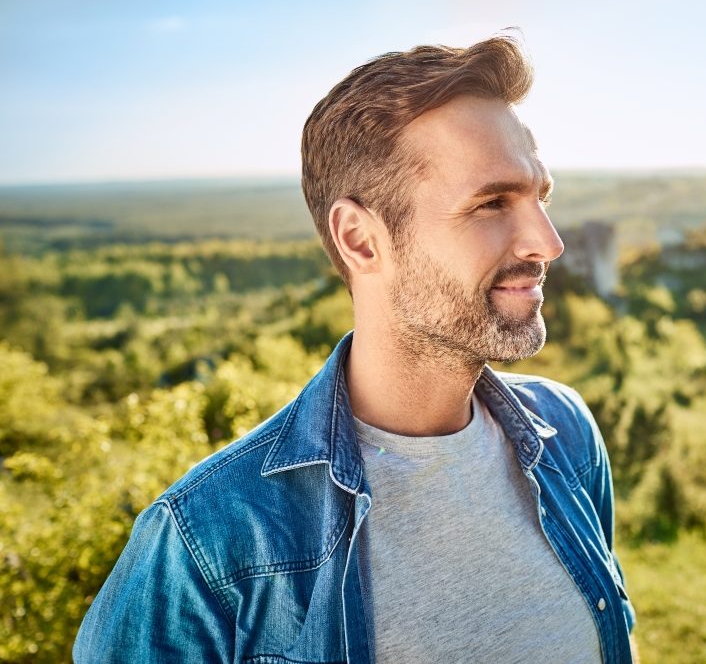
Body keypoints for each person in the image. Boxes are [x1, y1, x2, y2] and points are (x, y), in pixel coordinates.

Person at [74, 35, 636, 663]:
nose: (548, 242)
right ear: (361, 240)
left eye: (541, 198)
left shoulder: (566, 437)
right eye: (491, 204)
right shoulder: (209, 539)